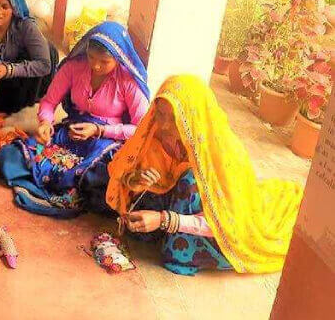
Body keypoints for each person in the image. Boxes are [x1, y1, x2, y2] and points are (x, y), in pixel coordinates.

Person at [106, 75, 303, 275]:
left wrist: (165, 220)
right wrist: (138, 179)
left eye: (172, 118)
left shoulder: (220, 154)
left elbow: (224, 221)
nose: (163, 124)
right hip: (178, 204)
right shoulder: (155, 135)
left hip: (217, 220)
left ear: (190, 118)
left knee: (176, 249)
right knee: (139, 227)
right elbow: (127, 173)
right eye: (160, 114)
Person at [0, 22, 149, 217]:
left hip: (104, 142)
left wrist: (99, 130)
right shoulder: (74, 67)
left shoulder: (128, 81)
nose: (96, 65)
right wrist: (45, 123)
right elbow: (49, 102)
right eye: (92, 57)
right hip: (70, 132)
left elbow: (141, 128)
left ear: (118, 59)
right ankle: (58, 193)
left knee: (102, 179)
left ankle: (46, 188)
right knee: (9, 154)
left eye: (104, 61)